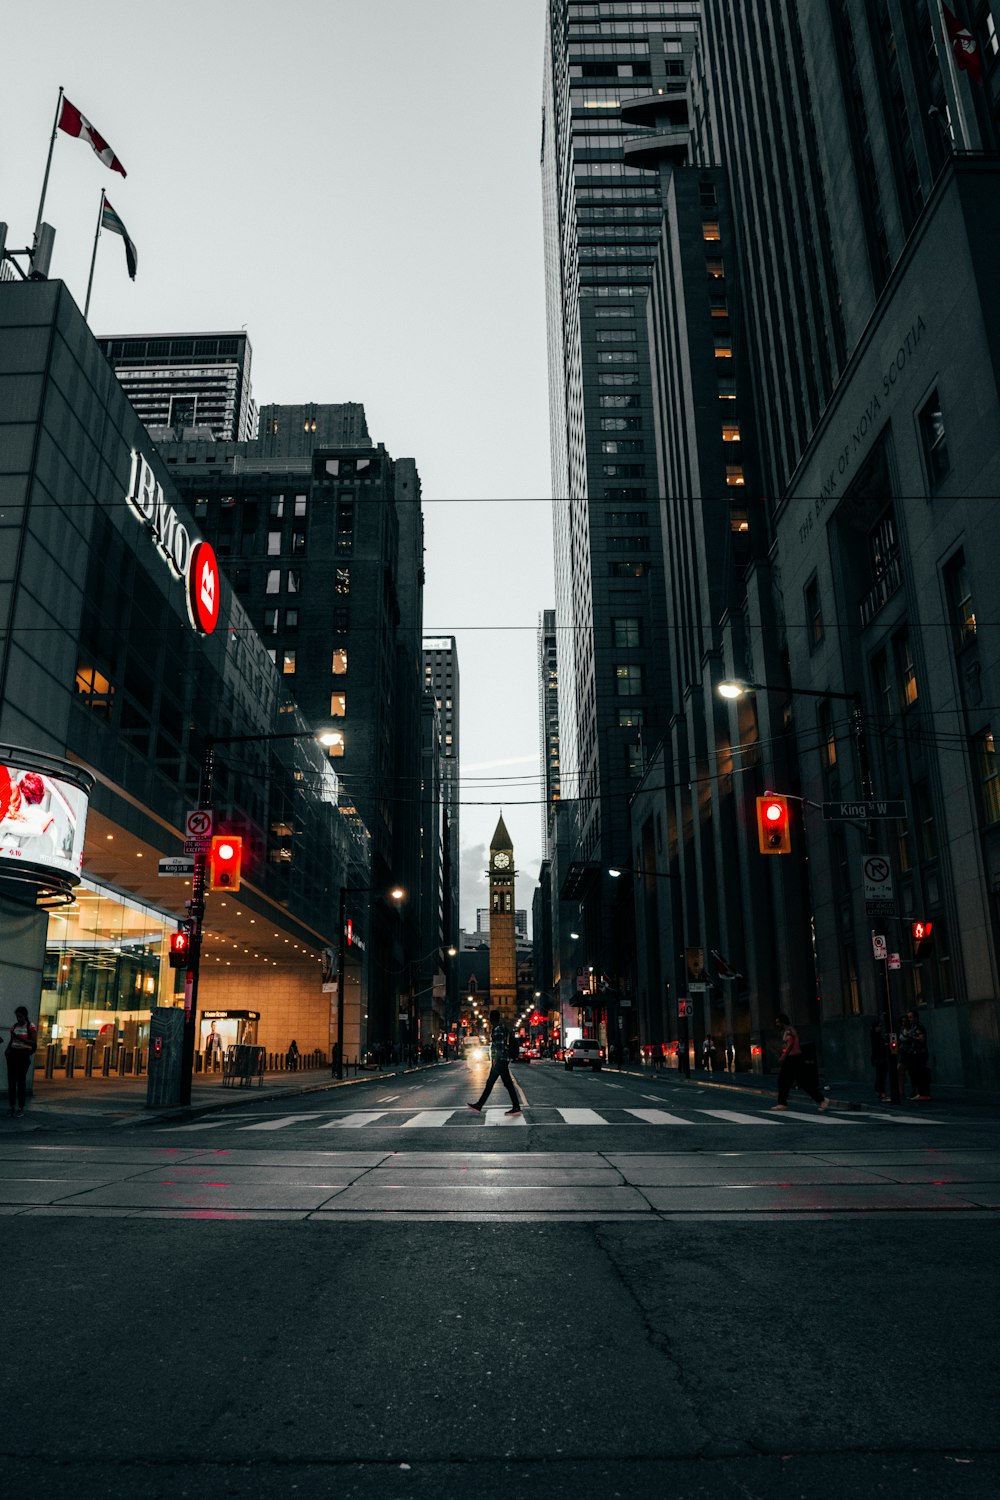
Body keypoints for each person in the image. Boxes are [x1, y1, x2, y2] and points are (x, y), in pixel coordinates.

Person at [467, 1009, 522, 1116]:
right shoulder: (502, 1028)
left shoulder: (497, 1029)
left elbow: (500, 1046)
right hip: (503, 1060)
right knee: (507, 1084)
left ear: (492, 1019)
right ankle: (516, 1107)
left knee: (490, 1083)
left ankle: (479, 1105)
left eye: (490, 1018)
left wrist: (496, 1061)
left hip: (500, 1061)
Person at [771, 1011, 829, 1111]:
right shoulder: (787, 1031)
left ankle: (822, 1099)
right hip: (793, 1058)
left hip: (793, 1059)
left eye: (778, 1022)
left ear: (782, 1022)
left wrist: (783, 1056)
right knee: (789, 1081)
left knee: (789, 1081)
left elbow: (790, 1045)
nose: (776, 1025)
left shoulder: (790, 1031)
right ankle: (782, 1103)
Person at [5, 1005, 37, 1118]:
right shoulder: (14, 1026)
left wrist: (20, 1039)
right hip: (13, 1053)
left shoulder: (30, 1026)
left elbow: (33, 1042)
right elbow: (11, 1041)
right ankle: (12, 1106)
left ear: (25, 1016)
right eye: (17, 1017)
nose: (18, 1019)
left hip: (23, 1054)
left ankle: (21, 1107)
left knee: (21, 1081)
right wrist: (7, 1052)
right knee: (11, 1081)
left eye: (20, 1017)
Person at [906, 1011, 931, 1100]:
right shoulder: (912, 1027)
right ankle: (919, 1092)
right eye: (909, 1017)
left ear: (916, 1017)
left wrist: (911, 1036)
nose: (909, 1019)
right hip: (914, 1053)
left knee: (920, 1073)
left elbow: (921, 1039)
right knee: (914, 1073)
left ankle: (924, 1093)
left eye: (911, 1017)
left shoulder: (919, 1027)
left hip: (920, 1053)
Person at [871, 1018, 889, 1101]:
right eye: (879, 1026)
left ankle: (881, 1092)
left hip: (880, 1058)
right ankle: (881, 1093)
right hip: (879, 1058)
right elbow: (878, 1048)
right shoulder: (875, 1036)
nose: (880, 1028)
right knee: (881, 1076)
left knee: (881, 1075)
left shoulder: (876, 1035)